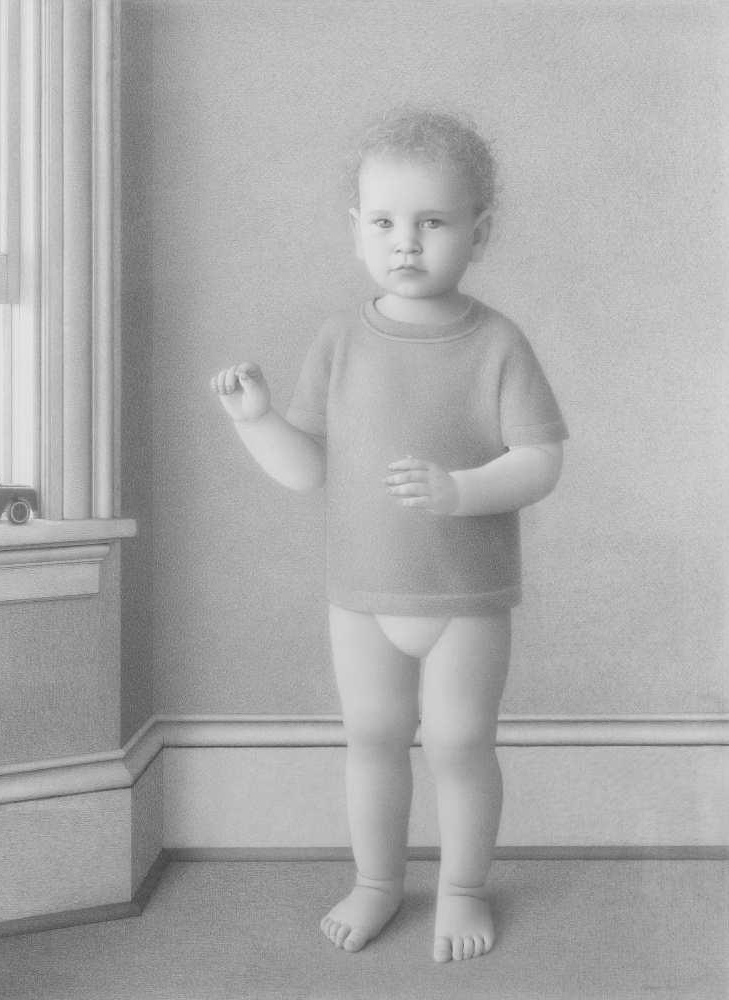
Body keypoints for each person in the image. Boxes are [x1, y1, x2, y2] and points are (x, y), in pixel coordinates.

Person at [210, 106, 568, 963]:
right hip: (361, 594)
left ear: (478, 234)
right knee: (370, 739)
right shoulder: (337, 340)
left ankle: (462, 888)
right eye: (384, 223)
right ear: (356, 230)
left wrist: (460, 491)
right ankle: (376, 882)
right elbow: (306, 470)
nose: (405, 243)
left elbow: (541, 462)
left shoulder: (497, 343)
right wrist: (256, 422)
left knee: (457, 744)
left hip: (464, 597)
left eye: (432, 223)